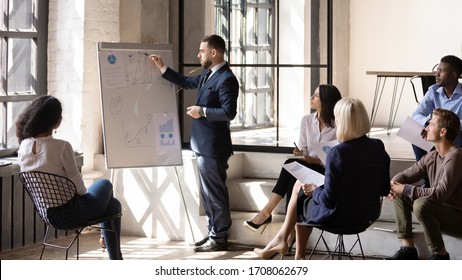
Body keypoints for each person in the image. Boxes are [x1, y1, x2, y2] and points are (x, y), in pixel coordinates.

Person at [253, 97, 390, 260]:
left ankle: (291, 250)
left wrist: (314, 190)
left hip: (340, 217)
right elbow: (384, 189)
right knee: (300, 188)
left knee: (301, 194)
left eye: (336, 117)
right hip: (368, 215)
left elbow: (328, 200)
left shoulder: (338, 153)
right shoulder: (378, 146)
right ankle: (287, 245)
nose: (335, 121)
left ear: (342, 122)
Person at [149, 34, 239, 252]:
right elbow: (186, 82)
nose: (198, 54)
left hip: (213, 147)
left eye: (202, 51)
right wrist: (163, 69)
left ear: (214, 53)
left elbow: (229, 113)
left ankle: (219, 237)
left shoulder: (227, 79)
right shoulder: (207, 73)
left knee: (214, 193)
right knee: (207, 194)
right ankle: (212, 233)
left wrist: (203, 111)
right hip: (202, 145)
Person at [16, 95, 123, 260]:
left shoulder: (23, 147)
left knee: (114, 206)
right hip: (74, 214)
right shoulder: (62, 147)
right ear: (56, 122)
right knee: (105, 184)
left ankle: (116, 259)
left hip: (48, 215)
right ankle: (116, 258)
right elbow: (80, 190)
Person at [243, 84, 342, 238]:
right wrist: (300, 153)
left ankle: (267, 214)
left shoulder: (339, 125)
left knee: (292, 167)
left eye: (316, 95)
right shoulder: (307, 120)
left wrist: (314, 160)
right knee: (292, 165)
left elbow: (338, 159)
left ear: (326, 101)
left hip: (325, 171)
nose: (312, 98)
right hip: (308, 165)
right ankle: (288, 233)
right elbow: (304, 149)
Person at [387, 108, 462, 260]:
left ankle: (440, 254)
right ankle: (408, 249)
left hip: (458, 217)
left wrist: (406, 189)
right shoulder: (433, 156)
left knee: (421, 204)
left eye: (430, 124)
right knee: (400, 193)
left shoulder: (456, 156)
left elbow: (440, 194)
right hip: (441, 212)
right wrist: (394, 183)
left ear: (442, 132)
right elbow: (408, 173)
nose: (425, 128)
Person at [411, 55, 462, 187]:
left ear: (453, 75)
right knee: (414, 130)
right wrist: (429, 124)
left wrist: (445, 126)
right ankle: (428, 180)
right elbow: (417, 114)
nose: (437, 74)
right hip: (439, 135)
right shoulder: (433, 91)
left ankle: (453, 180)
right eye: (437, 70)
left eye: (441, 71)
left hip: (456, 136)